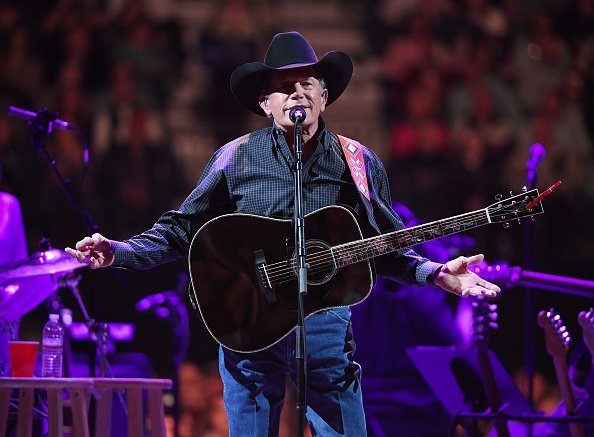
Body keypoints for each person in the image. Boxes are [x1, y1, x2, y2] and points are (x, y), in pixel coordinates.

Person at [66, 31, 501, 436]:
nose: (298, 91)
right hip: (246, 321)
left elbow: (386, 245)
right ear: (265, 104)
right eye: (284, 85)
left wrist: (437, 272)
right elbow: (181, 230)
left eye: (308, 82)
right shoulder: (235, 158)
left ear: (324, 97)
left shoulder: (357, 162)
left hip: (325, 323)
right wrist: (120, 251)